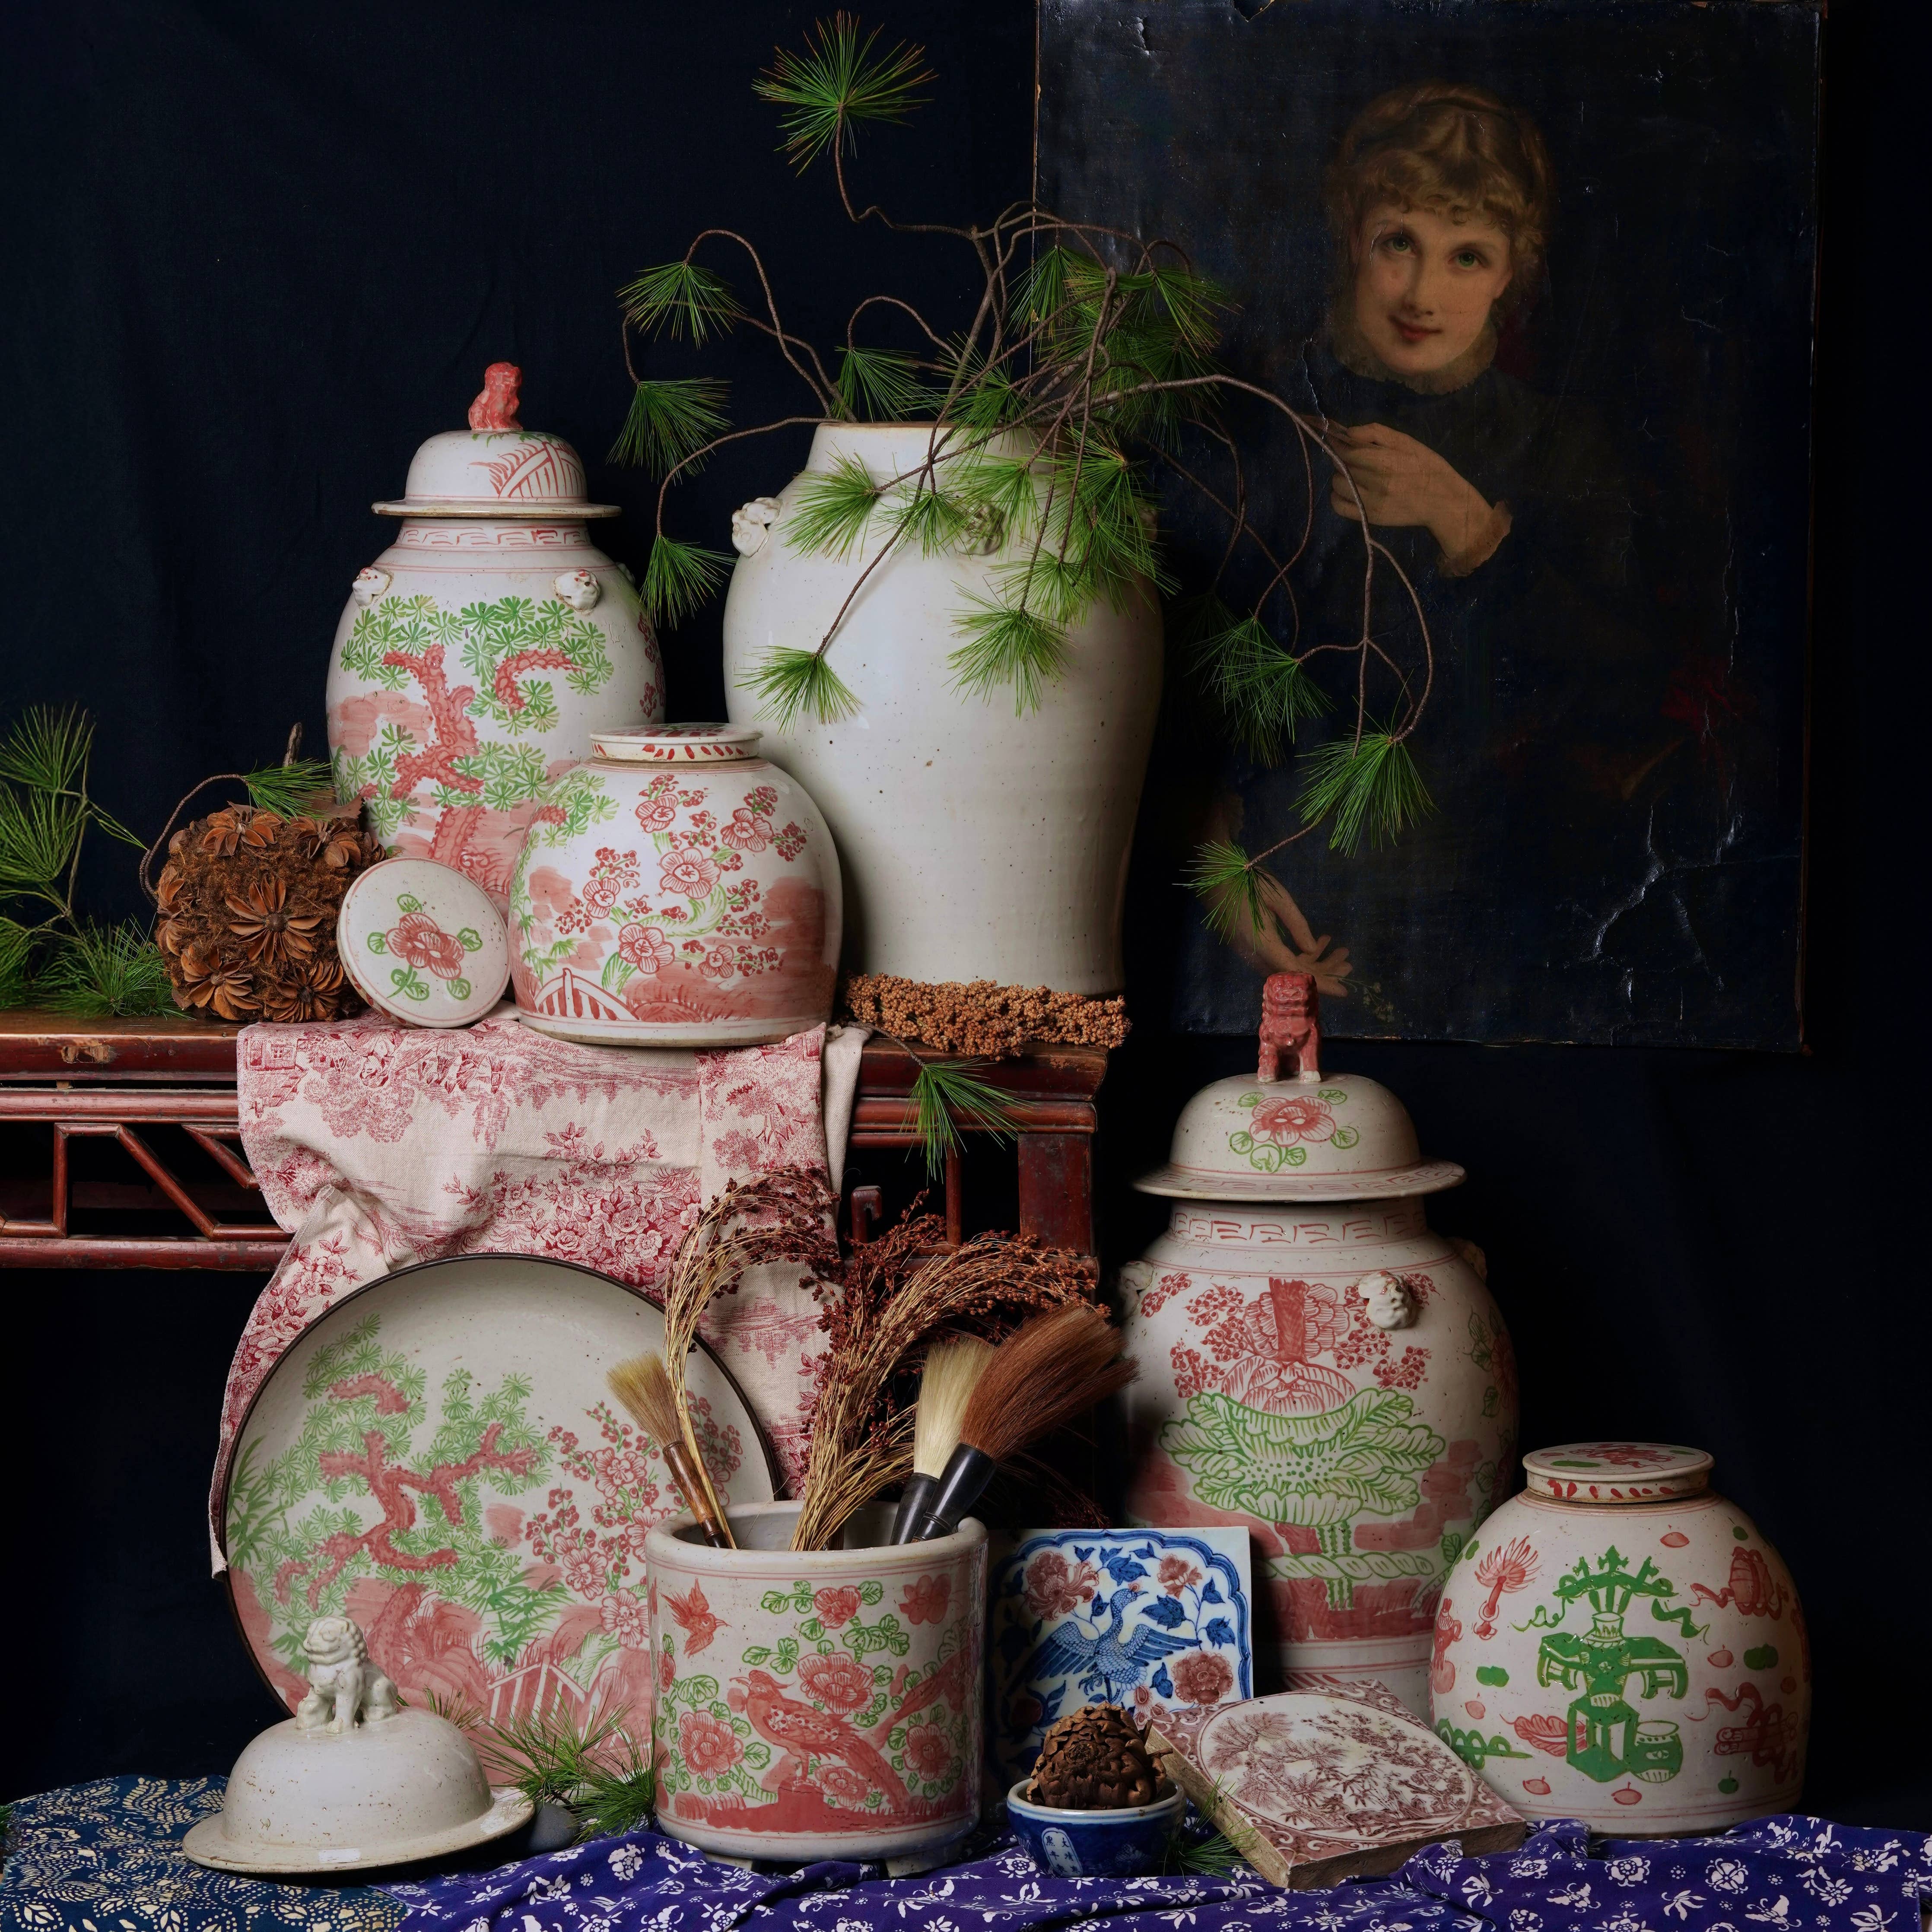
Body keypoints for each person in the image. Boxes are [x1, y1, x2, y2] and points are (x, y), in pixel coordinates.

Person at [1185, 82, 1656, 1038]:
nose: (1420, 293)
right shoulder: (1252, 414)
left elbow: (1616, 691)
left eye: (1466, 255)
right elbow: (1171, 676)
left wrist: (1470, 528)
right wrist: (1207, 861)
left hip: (1481, 920)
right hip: (1260, 897)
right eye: (1399, 240)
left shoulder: (1558, 451)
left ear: (1511, 273)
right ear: (1352, 231)